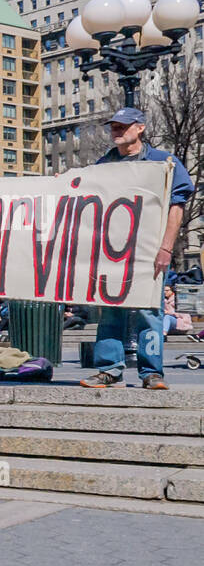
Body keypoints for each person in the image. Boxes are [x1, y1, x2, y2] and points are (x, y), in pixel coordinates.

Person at [81, 107, 194, 390]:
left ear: (140, 128)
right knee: (109, 310)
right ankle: (109, 369)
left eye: (123, 126)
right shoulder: (104, 164)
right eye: (114, 127)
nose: (116, 131)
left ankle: (151, 372)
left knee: (149, 310)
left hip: (148, 250)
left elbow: (176, 207)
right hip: (110, 251)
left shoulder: (164, 162)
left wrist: (166, 247)